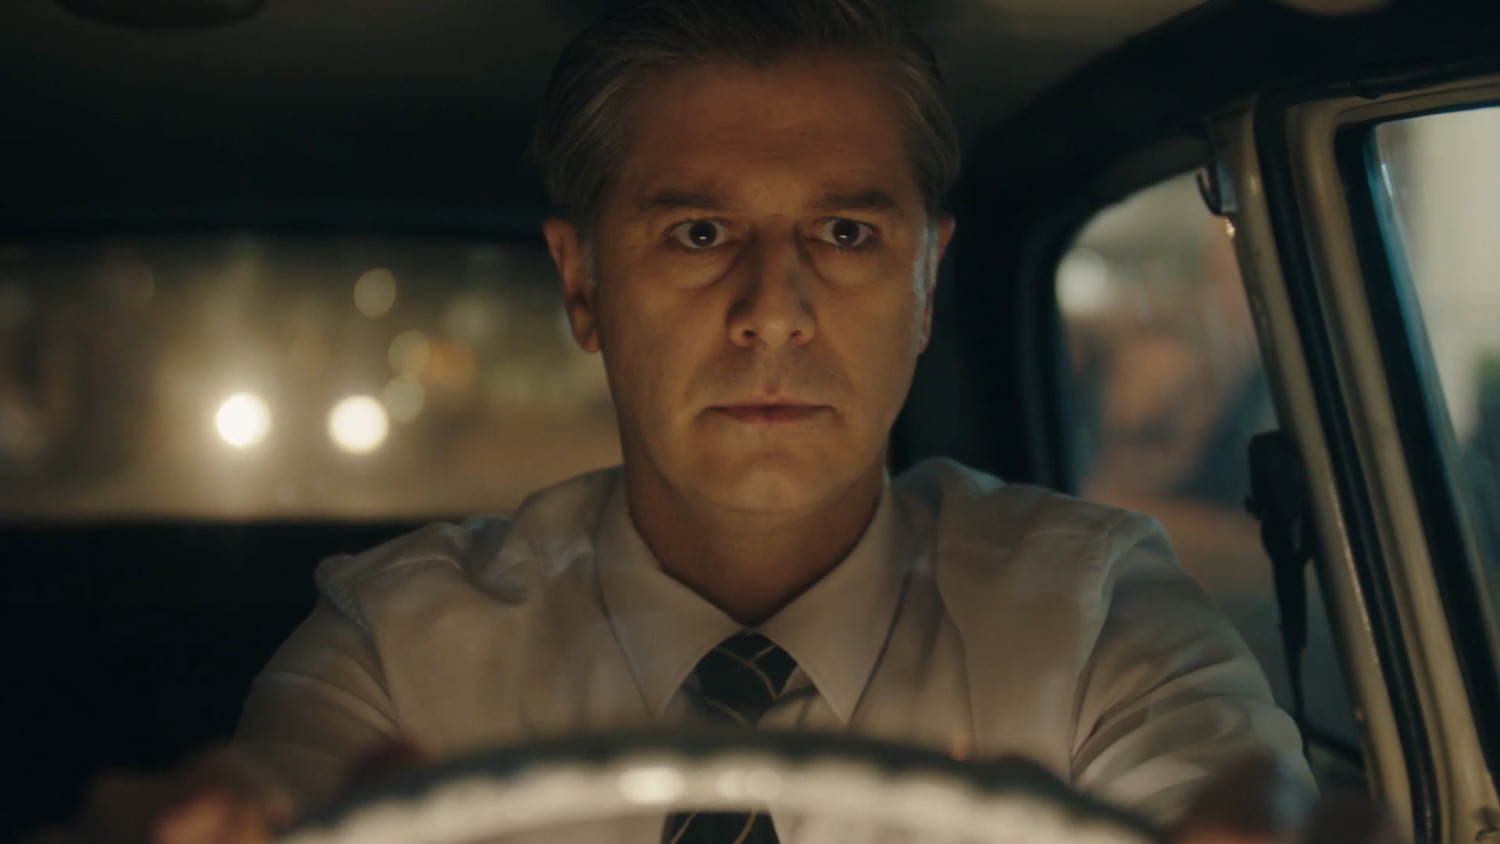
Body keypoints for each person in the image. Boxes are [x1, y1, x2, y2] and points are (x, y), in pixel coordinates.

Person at [40, 1, 1350, 842]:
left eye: (846, 235)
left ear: (927, 283)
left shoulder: (1090, 619)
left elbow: (1212, 790)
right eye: (700, 234)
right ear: (581, 286)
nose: (773, 313)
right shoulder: (397, 654)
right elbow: (287, 804)